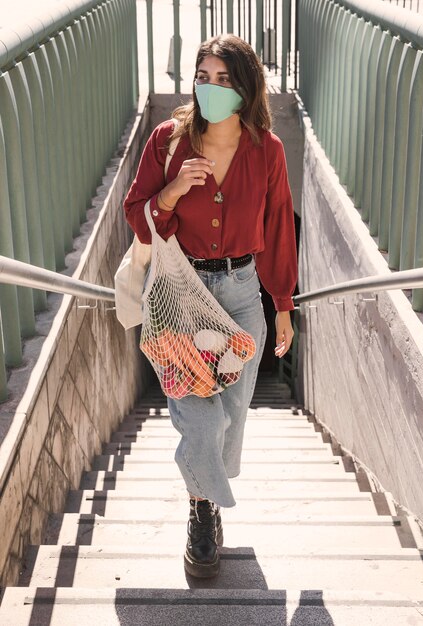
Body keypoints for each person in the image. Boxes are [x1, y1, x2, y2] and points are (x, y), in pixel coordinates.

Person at [123, 34, 297, 579]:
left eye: (224, 79)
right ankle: (202, 514)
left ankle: (207, 496)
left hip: (243, 298)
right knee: (200, 417)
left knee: (232, 416)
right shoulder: (167, 141)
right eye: (203, 76)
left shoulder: (267, 150)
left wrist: (283, 305)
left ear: (245, 87)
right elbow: (137, 214)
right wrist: (172, 192)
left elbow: (277, 228)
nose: (211, 88)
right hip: (181, 297)